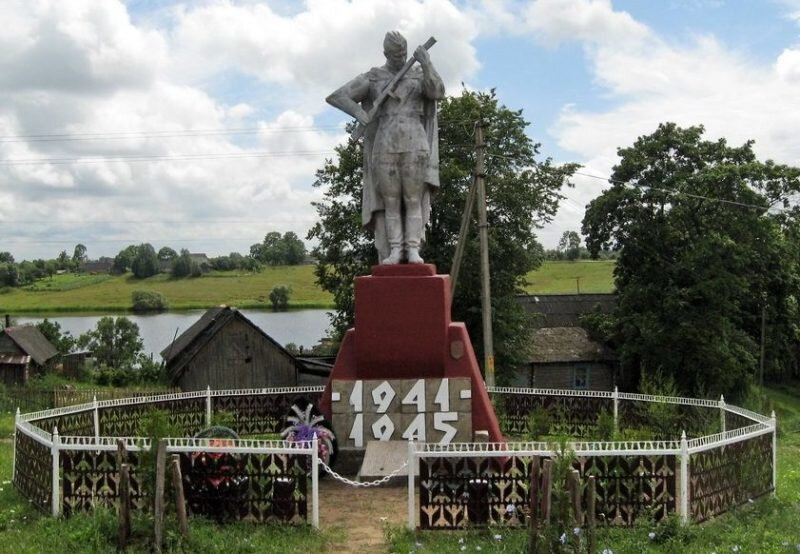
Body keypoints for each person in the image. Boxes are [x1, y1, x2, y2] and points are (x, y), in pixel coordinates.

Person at [326, 31, 444, 264]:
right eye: (396, 54)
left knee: (412, 199)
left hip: (415, 141)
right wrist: (360, 113)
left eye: (404, 53)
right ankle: (394, 250)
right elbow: (338, 96)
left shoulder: (419, 73)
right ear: (386, 54)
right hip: (385, 142)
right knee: (390, 201)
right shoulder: (375, 77)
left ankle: (412, 250)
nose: (401, 58)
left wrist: (427, 63)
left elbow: (437, 92)